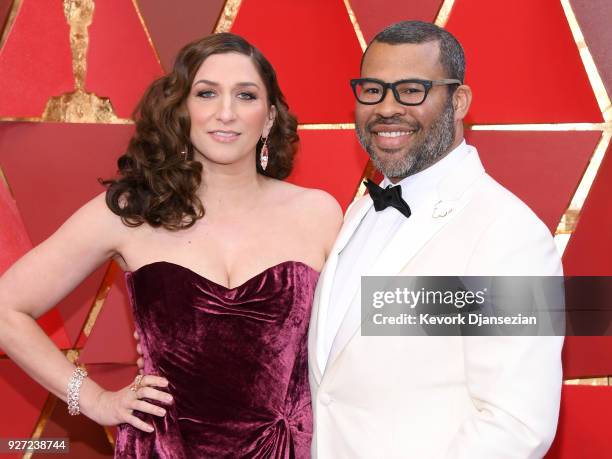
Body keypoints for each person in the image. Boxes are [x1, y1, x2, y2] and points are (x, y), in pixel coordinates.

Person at [0, 33, 342, 458]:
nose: (226, 113)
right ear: (182, 110)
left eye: (246, 95)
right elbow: (6, 308)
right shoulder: (132, 211)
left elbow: (369, 338)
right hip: (166, 447)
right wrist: (91, 399)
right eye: (206, 93)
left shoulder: (319, 214)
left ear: (269, 118)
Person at [307, 21, 564, 458]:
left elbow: (516, 425)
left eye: (412, 90)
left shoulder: (511, 235)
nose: (387, 108)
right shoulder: (361, 209)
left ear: (458, 101)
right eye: (373, 90)